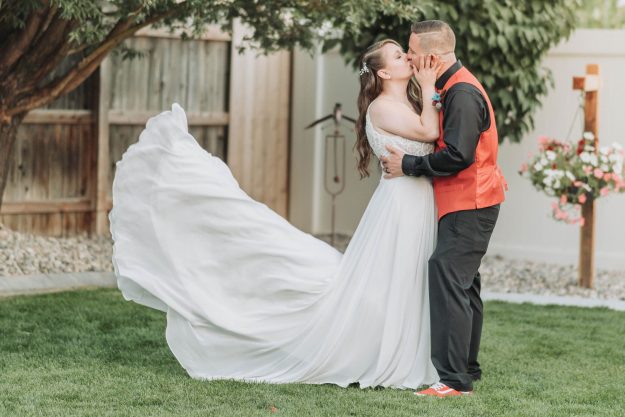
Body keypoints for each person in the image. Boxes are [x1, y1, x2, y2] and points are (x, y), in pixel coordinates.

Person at [109, 39, 441, 389]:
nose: (408, 58)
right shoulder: (383, 106)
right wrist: (431, 83)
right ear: (385, 72)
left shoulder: (407, 101)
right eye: (398, 56)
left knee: (404, 279)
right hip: (400, 205)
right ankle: (383, 354)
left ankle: (402, 348)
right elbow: (428, 132)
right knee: (391, 279)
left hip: (415, 199)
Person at [381, 20, 507, 397]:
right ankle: (467, 366)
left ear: (432, 57)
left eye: (413, 52)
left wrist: (408, 165)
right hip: (467, 200)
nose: (409, 57)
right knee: (465, 283)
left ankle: (454, 381)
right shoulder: (449, 86)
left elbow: (458, 156)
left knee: (447, 274)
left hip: (473, 201)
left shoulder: (463, 93)